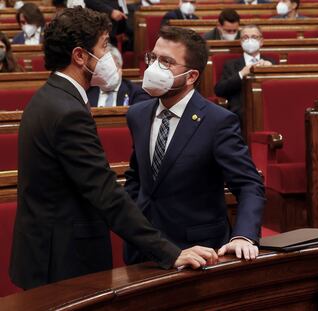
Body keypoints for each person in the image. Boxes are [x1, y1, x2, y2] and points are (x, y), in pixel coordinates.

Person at [9, 7, 217, 291]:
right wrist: (170, 252)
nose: (109, 55)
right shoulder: (68, 110)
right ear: (80, 56)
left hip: (45, 252)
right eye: (104, 45)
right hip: (62, 261)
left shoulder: (50, 96)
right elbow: (105, 193)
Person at [123, 26, 265, 264]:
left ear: (191, 76)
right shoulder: (137, 114)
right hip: (144, 251)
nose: (154, 67)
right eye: (153, 58)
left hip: (199, 252)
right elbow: (138, 177)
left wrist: (244, 236)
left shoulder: (218, 121)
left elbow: (249, 184)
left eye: (166, 62)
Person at [215, 25, 276, 123]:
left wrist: (271, 70)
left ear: (261, 42)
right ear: (241, 42)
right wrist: (241, 74)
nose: (250, 40)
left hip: (267, 107)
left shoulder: (272, 62)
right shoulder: (231, 64)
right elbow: (219, 90)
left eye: (254, 37)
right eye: (245, 37)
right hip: (241, 112)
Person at [87, 45, 151, 107]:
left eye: (109, 68)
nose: (105, 73)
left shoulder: (135, 93)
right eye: (102, 68)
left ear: (120, 68)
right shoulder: (88, 93)